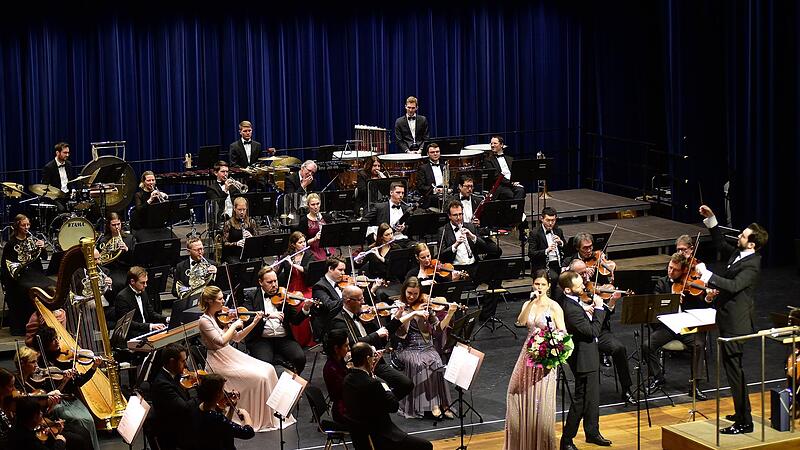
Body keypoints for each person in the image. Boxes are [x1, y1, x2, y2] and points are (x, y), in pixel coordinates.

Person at [694, 204, 768, 435]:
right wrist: (712, 220)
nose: (739, 236)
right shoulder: (739, 254)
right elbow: (720, 244)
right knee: (733, 370)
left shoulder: (752, 265)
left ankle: (744, 422)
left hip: (736, 325)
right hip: (727, 319)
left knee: (735, 371)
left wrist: (706, 275)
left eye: (744, 236)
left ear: (752, 244)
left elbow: (734, 285)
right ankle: (741, 411)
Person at [197, 285, 292, 432]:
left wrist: (254, 322)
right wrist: (234, 324)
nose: (224, 302)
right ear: (210, 301)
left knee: (269, 369)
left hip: (230, 354)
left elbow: (238, 337)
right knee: (259, 377)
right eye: (220, 299)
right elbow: (220, 341)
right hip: (218, 360)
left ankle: (274, 414)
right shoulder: (204, 321)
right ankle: (257, 416)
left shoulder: (220, 316)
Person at [504, 270, 566, 450]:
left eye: (542, 284)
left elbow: (562, 332)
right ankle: (522, 443)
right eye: (536, 284)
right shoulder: (528, 303)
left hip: (545, 358)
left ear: (548, 286)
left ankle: (540, 444)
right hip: (527, 355)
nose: (539, 287)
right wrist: (531, 302)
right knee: (515, 393)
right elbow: (521, 321)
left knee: (541, 400)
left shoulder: (554, 306)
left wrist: (549, 344)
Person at [329, 285, 413, 402]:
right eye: (360, 300)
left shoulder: (364, 316)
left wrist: (397, 317)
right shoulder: (339, 321)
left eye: (363, 298)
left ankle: (383, 404)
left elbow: (384, 334)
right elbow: (353, 343)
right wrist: (376, 335)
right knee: (376, 388)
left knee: (406, 384)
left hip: (375, 361)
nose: (363, 303)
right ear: (348, 301)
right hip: (358, 366)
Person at [567, 259, 634, 405]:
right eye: (581, 274)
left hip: (599, 331)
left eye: (586, 272)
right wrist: (584, 309)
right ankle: (586, 393)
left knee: (619, 348)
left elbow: (606, 315)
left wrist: (611, 303)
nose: (586, 276)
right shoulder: (569, 291)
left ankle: (627, 389)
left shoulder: (594, 287)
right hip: (581, 335)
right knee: (586, 355)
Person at [343, 342, 432, 450]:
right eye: (372, 357)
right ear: (367, 359)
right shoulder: (373, 383)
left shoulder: (347, 379)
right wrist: (382, 384)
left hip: (361, 437)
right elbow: (393, 407)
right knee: (426, 446)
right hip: (382, 435)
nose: (373, 360)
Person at [644, 252, 708, 401]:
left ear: (684, 271)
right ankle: (658, 377)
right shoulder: (662, 283)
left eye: (675, 269)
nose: (671, 271)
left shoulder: (691, 285)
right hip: (667, 327)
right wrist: (672, 302)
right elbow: (656, 306)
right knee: (647, 346)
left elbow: (702, 304)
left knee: (698, 345)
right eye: (669, 267)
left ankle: (694, 385)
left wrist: (705, 296)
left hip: (686, 326)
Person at [558, 270, 611, 450]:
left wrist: (589, 310)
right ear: (567, 290)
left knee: (593, 397)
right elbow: (593, 332)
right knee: (581, 400)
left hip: (589, 355)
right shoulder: (570, 308)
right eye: (579, 285)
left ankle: (592, 432)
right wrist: (598, 308)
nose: (583, 287)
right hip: (583, 359)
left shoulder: (574, 303)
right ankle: (566, 440)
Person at [393, 277, 457, 419]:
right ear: (404, 291)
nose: (412, 297)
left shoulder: (425, 305)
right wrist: (411, 314)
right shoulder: (398, 306)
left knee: (436, 361)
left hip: (427, 346)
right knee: (420, 364)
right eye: (409, 293)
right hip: (408, 347)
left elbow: (437, 329)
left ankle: (443, 403)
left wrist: (450, 314)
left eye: (416, 294)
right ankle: (431, 405)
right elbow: (398, 331)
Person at [29, 329, 100, 450]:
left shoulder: (64, 358)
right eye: (53, 339)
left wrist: (94, 367)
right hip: (56, 403)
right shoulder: (40, 364)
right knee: (83, 420)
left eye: (57, 338)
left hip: (70, 398)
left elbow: (79, 382)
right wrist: (64, 381)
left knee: (89, 420)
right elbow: (49, 395)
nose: (57, 341)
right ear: (45, 344)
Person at [438, 200, 502, 321]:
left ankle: (486, 315)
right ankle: (457, 320)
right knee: (451, 287)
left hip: (474, 267)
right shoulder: (443, 231)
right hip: (456, 270)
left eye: (460, 214)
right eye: (455, 215)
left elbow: (487, 248)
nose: (459, 218)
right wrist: (456, 245)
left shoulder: (470, 226)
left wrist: (472, 237)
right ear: (449, 216)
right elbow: (441, 256)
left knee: (496, 278)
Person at [241, 266, 313, 374]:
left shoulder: (284, 295)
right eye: (269, 282)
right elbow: (247, 318)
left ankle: (291, 382)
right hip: (261, 339)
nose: (274, 285)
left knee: (300, 358)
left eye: (275, 281)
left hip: (283, 337)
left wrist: (305, 309)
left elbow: (295, 320)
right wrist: (267, 316)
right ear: (260, 282)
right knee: (265, 365)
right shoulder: (251, 296)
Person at [0, 214, 51, 335]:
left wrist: (42, 247)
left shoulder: (32, 240)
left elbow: (44, 257)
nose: (27, 227)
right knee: (28, 289)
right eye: (24, 225)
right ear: (17, 226)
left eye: (28, 224)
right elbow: (7, 267)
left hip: (34, 274)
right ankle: (27, 326)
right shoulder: (11, 244)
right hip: (19, 277)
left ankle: (44, 323)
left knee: (50, 286)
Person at [150, 343, 198, 449]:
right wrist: (202, 395)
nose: (186, 365)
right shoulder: (163, 384)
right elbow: (184, 408)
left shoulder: (174, 375)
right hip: (175, 434)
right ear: (172, 362)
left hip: (181, 424)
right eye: (183, 361)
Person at [190, 373, 256, 449]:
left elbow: (224, 426)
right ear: (217, 394)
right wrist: (246, 415)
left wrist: (231, 408)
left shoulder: (198, 407)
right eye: (222, 390)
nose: (224, 393)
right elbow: (248, 432)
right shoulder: (215, 417)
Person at [114, 266, 168, 338]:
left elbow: (151, 313)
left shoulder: (143, 292)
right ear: (132, 281)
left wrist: (166, 319)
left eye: (146, 282)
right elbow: (128, 323)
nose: (145, 285)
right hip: (132, 334)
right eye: (142, 282)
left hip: (145, 330)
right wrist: (150, 326)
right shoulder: (122, 297)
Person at [172, 237, 218, 319]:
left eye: (202, 249)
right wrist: (189, 291)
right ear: (188, 251)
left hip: (207, 303)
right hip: (188, 305)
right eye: (197, 250)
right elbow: (175, 291)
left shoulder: (212, 264)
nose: (200, 252)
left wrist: (216, 273)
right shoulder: (180, 267)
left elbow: (218, 288)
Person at [95, 212, 134, 298]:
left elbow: (135, 258)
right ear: (109, 226)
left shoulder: (130, 238)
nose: (117, 227)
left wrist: (127, 249)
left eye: (118, 224)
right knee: (117, 283)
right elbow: (99, 259)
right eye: (113, 225)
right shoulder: (104, 241)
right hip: (110, 270)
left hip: (126, 269)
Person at [310, 257, 347, 342]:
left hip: (342, 321)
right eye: (340, 270)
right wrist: (347, 296)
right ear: (330, 269)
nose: (343, 273)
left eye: (344, 270)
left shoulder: (342, 284)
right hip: (329, 327)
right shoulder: (319, 287)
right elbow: (330, 306)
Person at [528, 207, 565, 282]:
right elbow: (531, 253)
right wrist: (546, 251)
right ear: (542, 219)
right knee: (554, 278)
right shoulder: (535, 233)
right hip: (544, 266)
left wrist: (561, 242)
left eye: (553, 220)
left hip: (558, 264)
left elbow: (567, 249)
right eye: (548, 220)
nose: (551, 223)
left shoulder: (558, 231)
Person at [322, 328, 351, 425]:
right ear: (336, 348)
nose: (349, 348)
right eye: (346, 346)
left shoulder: (339, 361)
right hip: (343, 412)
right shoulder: (331, 368)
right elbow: (347, 390)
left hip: (346, 405)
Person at [483, 135, 525, 200]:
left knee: (521, 190)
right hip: (500, 186)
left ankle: (516, 210)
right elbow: (496, 176)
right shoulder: (488, 160)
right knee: (510, 194)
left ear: (502, 145)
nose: (492, 145)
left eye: (495, 143)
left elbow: (515, 172)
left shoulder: (510, 159)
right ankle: (514, 209)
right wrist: (511, 183)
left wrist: (515, 181)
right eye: (491, 143)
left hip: (512, 183)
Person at [296, 193, 334, 261]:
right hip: (312, 249)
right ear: (308, 205)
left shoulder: (327, 217)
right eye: (313, 204)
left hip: (327, 247)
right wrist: (315, 239)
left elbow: (332, 236)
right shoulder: (304, 220)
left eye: (318, 204)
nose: (316, 207)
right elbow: (302, 242)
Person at [221, 196, 259, 264]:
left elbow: (258, 241)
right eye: (239, 209)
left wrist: (251, 238)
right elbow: (224, 244)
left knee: (257, 263)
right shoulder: (228, 224)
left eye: (244, 209)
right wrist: (236, 243)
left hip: (249, 254)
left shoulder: (251, 222)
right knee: (238, 266)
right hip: (233, 255)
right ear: (234, 209)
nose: (242, 212)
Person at [415, 143, 449, 209]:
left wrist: (448, 190)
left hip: (445, 194)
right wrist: (435, 190)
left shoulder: (444, 166)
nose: (435, 154)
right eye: (432, 152)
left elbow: (451, 183)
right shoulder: (423, 168)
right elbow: (420, 186)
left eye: (437, 152)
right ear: (428, 154)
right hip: (432, 196)